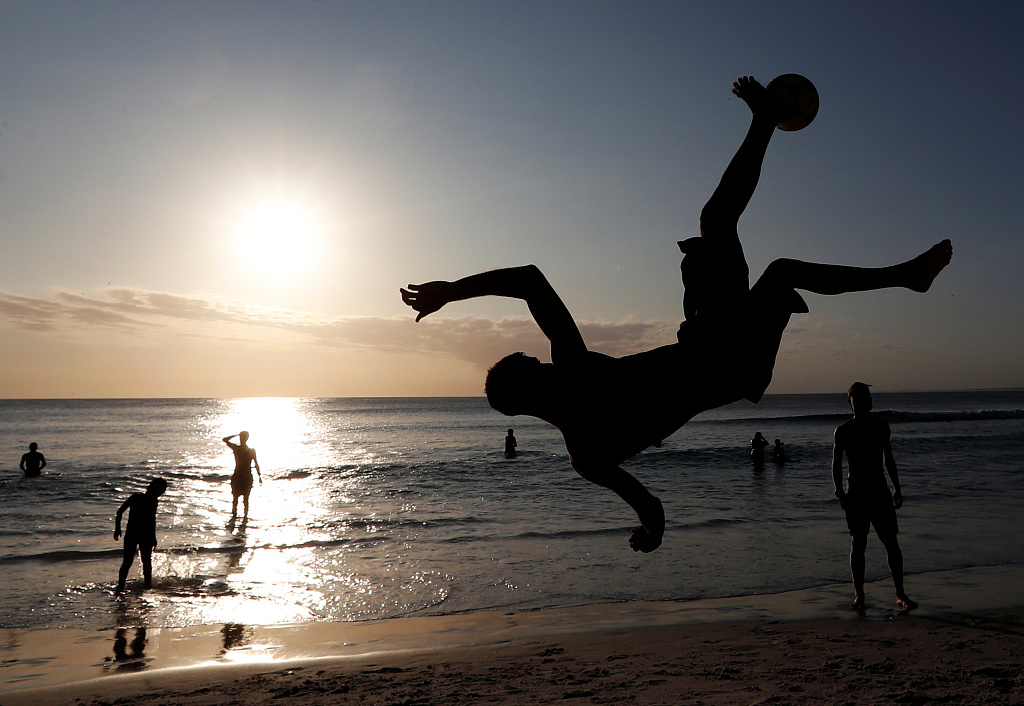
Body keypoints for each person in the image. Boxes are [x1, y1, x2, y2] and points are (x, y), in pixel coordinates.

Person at [401, 75, 953, 553]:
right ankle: (904, 275)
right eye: (536, 369)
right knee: (770, 261)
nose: (546, 365)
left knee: (718, 221)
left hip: (711, 345)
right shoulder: (575, 376)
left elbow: (653, 509)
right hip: (726, 359)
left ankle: (766, 125)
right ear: (531, 390)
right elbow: (528, 280)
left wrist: (648, 535)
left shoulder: (586, 456)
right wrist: (451, 291)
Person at [832, 382, 918, 611]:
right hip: (857, 493)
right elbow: (836, 464)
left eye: (864, 397)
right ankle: (859, 596)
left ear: (870, 401)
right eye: (856, 398)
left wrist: (897, 488)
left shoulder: (880, 426)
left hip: (880, 491)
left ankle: (900, 594)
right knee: (858, 543)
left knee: (891, 543)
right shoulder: (843, 431)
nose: (860, 401)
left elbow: (887, 459)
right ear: (850, 402)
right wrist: (839, 492)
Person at [114, 478, 168, 593]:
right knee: (131, 562)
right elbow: (120, 511)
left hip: (142, 535)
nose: (160, 493)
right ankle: (123, 586)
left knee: (143, 562)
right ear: (152, 489)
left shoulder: (152, 501)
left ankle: (144, 586)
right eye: (160, 491)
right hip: (135, 534)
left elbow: (151, 521)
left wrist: (153, 537)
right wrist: (117, 528)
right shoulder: (137, 498)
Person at [223, 432, 261, 520]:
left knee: (235, 498)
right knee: (246, 499)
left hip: (238, 475)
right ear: (247, 438)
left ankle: (234, 516)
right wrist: (259, 476)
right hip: (247, 475)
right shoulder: (251, 451)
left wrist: (235, 435)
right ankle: (245, 517)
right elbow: (256, 464)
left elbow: (225, 440)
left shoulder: (236, 448)